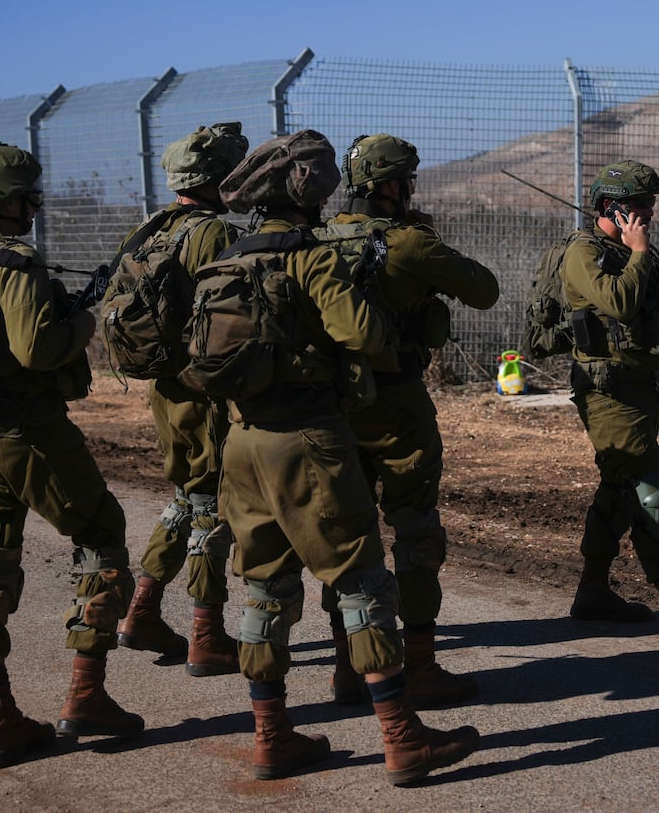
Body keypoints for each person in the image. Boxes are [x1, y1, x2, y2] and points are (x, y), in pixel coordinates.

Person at [205, 130, 480, 784]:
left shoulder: (228, 257)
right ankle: (402, 736)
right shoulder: (309, 257)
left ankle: (272, 735)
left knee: (265, 587)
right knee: (362, 579)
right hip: (308, 439)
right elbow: (365, 334)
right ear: (306, 190)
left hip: (242, 445)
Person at [0, 142, 143, 769]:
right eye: (29, 194)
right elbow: (38, 348)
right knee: (103, 539)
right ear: (6, 199)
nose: (36, 203)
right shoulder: (16, 263)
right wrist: (90, 318)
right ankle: (87, 696)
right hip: (30, 433)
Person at [319, 134, 499, 709]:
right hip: (396, 406)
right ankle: (418, 667)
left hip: (329, 408)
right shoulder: (408, 243)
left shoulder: (316, 241)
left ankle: (350, 668)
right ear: (391, 185)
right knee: (415, 532)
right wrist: (424, 242)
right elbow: (485, 290)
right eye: (407, 181)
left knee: (347, 536)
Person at [561, 160, 659, 639]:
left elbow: (652, 314)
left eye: (650, 205)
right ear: (611, 207)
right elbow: (619, 304)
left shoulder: (630, 252)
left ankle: (591, 592)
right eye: (638, 206)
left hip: (641, 388)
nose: (648, 213)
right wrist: (638, 252)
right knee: (652, 494)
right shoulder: (585, 253)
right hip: (607, 392)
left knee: (618, 490)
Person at [114, 122, 248, 676]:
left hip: (164, 387)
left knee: (187, 496)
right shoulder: (211, 234)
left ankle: (141, 612)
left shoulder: (147, 229)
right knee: (212, 507)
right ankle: (206, 634)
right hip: (204, 389)